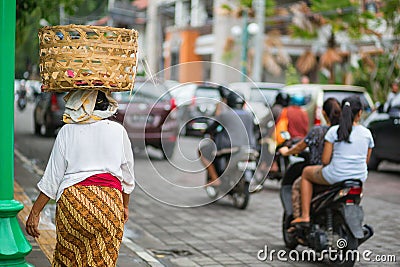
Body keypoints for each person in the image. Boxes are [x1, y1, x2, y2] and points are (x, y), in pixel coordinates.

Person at [25, 90, 135, 266]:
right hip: (109, 205)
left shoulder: (67, 131)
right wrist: (125, 206)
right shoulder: (118, 131)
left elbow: (52, 178)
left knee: (70, 259)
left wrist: (35, 212)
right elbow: (127, 179)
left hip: (73, 205)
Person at [292, 95, 374, 224]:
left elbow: (325, 161)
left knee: (306, 172)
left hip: (335, 176)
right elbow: (366, 161)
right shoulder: (367, 134)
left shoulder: (334, 132)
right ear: (360, 113)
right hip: (359, 177)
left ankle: (305, 216)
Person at [279, 98, 341, 218]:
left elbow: (299, 147)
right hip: (344, 174)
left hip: (322, 173)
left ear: (323, 113)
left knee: (297, 185)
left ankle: (299, 220)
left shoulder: (318, 131)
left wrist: (286, 152)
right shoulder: (345, 132)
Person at [198, 90, 255, 186]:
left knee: (202, 151)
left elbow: (212, 127)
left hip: (229, 147)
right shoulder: (250, 115)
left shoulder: (225, 115)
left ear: (228, 102)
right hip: (250, 147)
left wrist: (205, 131)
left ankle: (215, 179)